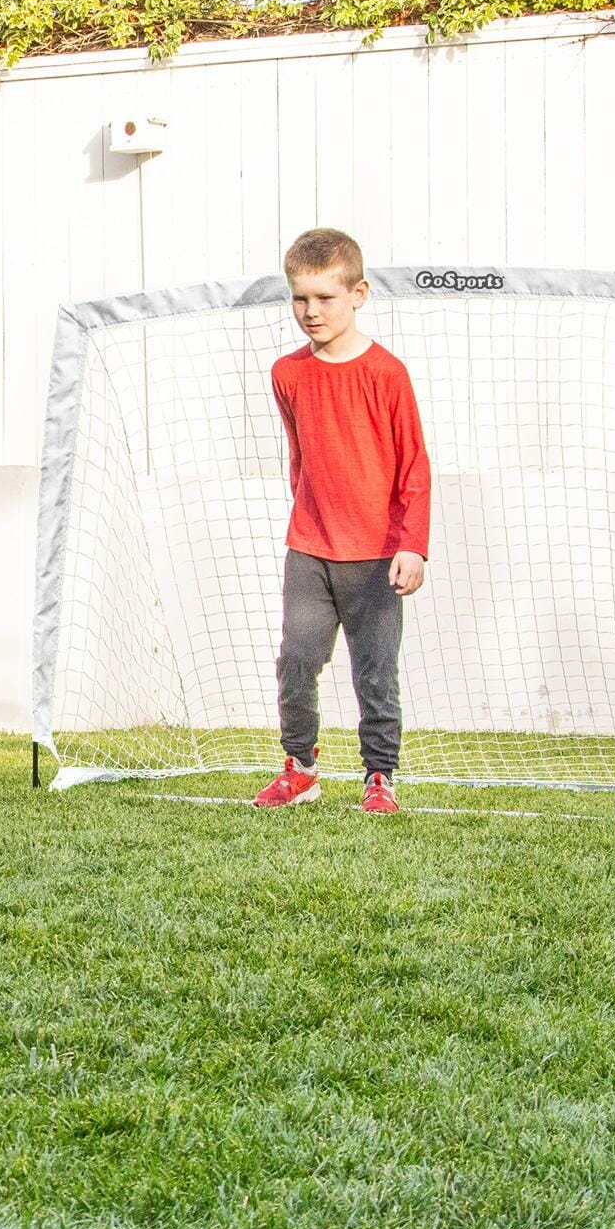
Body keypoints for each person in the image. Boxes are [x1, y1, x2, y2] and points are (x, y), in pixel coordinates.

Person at [255, 227, 430, 816]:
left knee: (375, 672)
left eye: (325, 298)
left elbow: (414, 467)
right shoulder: (287, 373)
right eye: (300, 298)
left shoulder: (387, 373)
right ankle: (300, 768)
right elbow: (301, 457)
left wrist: (413, 545)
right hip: (309, 550)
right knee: (297, 659)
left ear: (359, 293)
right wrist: (310, 519)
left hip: (377, 555)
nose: (311, 311)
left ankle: (379, 777)